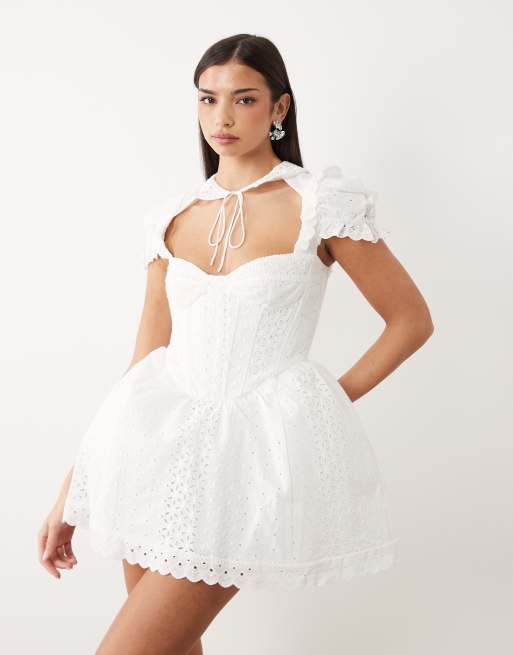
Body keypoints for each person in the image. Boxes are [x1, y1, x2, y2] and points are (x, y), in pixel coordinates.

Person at [38, 33, 434, 655]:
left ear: (279, 107)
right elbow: (143, 363)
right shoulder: (171, 218)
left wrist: (321, 405)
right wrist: (73, 489)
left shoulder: (321, 206)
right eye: (208, 98)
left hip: (242, 469)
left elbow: (410, 320)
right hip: (150, 459)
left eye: (244, 99)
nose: (222, 116)